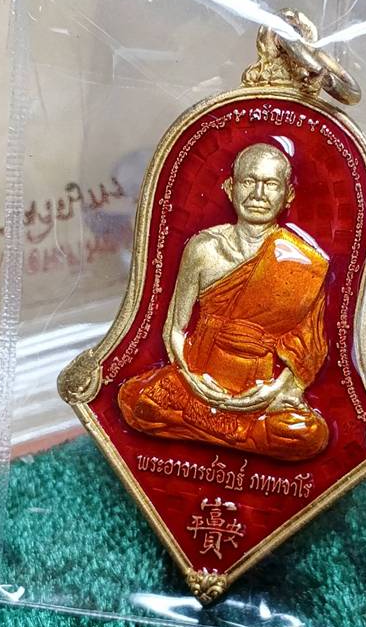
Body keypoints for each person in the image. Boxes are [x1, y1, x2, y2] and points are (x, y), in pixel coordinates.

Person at [118, 143, 330, 461]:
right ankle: (240, 433)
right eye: (249, 181)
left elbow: (307, 348)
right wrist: (192, 379)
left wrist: (275, 390)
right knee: (135, 400)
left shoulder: (304, 264)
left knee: (308, 434)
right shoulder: (203, 248)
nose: (258, 194)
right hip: (199, 377)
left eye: (270, 184)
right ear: (231, 188)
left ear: (288, 195)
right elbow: (174, 328)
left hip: (259, 392)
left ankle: (217, 426)